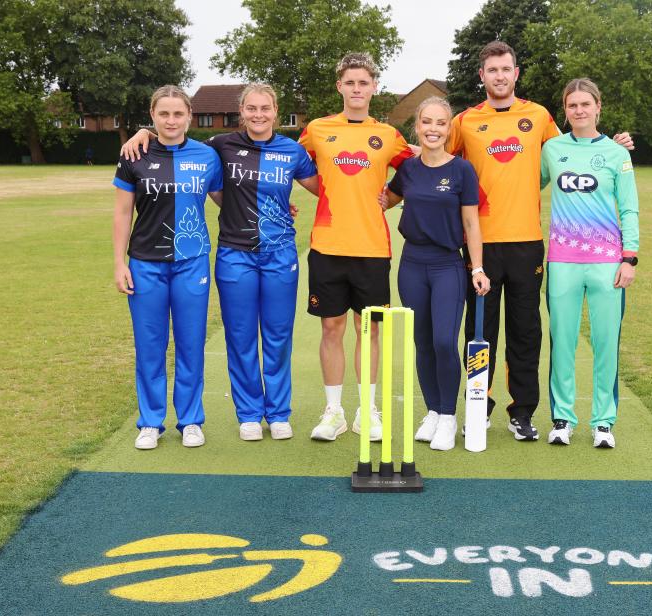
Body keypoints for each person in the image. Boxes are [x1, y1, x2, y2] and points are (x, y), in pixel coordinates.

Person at [446, 40, 633, 442]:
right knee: (480, 332)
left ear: (516, 73)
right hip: (480, 245)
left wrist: (614, 149)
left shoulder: (540, 116)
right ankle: (479, 408)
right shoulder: (464, 121)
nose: (499, 76)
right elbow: (438, 162)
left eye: (506, 69)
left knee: (526, 331)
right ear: (482, 76)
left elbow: (574, 147)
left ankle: (522, 413)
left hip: (528, 243)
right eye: (491, 70)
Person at [121, 84, 319, 441]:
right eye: (251, 109)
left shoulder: (293, 151)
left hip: (279, 255)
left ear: (276, 111)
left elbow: (326, 187)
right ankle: (247, 415)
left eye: (266, 108)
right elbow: (176, 150)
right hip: (233, 254)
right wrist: (143, 132)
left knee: (277, 336)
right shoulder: (220, 147)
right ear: (241, 112)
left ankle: (277, 413)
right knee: (241, 337)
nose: (259, 115)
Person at [298, 52, 414, 442]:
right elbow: (295, 166)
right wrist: (326, 191)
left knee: (370, 330)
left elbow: (416, 167)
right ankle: (334, 412)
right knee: (331, 327)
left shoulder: (388, 134)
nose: (357, 89)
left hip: (372, 248)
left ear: (373, 87)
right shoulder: (316, 129)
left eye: (363, 82)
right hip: (328, 245)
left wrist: (391, 199)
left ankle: (368, 410)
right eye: (350, 82)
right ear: (340, 87)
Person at [112, 85, 223, 450]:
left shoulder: (207, 156)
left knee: (191, 344)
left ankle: (190, 420)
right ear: (153, 116)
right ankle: (150, 422)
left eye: (178, 114)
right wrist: (118, 263)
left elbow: (228, 199)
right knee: (150, 345)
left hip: (192, 264)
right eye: (164, 114)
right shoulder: (134, 155)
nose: (171, 120)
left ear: (190, 116)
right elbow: (122, 212)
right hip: (145, 264)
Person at [379, 96, 490, 451]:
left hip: (448, 266)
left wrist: (478, 267)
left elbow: (471, 222)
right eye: (427, 122)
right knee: (422, 342)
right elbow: (390, 198)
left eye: (441, 123)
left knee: (444, 341)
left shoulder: (462, 170)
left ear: (449, 128)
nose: (433, 129)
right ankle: (432, 411)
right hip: (412, 264)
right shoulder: (409, 169)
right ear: (417, 126)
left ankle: (448, 415)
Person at [540, 78, 638, 449]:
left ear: (598, 107)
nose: (578, 111)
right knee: (562, 342)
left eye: (585, 104)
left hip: (607, 264)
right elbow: (525, 183)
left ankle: (603, 423)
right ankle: (562, 419)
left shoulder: (617, 154)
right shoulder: (552, 148)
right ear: (564, 110)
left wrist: (630, 257)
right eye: (571, 105)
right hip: (563, 261)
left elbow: (629, 207)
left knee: (604, 343)